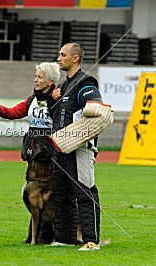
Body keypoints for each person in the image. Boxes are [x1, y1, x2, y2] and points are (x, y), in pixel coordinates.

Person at [48, 43, 113, 251]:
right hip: (60, 149)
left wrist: (78, 136)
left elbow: (97, 105)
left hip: (80, 149)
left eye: (63, 55)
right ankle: (65, 238)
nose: (59, 58)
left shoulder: (85, 83)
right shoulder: (65, 85)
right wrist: (53, 99)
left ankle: (91, 241)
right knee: (61, 193)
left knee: (85, 192)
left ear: (75, 58)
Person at [0, 62, 60, 244]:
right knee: (34, 194)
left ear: (50, 81)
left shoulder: (60, 99)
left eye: (39, 77)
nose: (35, 79)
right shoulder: (31, 99)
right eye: (36, 76)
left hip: (51, 153)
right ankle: (34, 236)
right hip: (34, 153)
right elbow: (14, 112)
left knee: (50, 197)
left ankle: (46, 235)